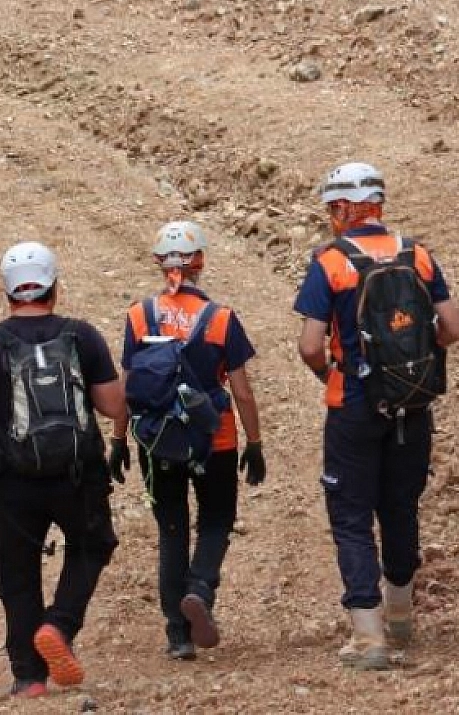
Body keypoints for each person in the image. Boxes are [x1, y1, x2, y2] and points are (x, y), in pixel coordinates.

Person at [294, 161, 459, 670]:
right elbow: (454, 326)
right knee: (400, 506)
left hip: (352, 405)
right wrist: (411, 354)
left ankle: (369, 638)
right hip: (411, 403)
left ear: (347, 207)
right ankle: (400, 618)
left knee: (350, 517)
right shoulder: (417, 254)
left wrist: (333, 372)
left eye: (333, 207)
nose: (331, 216)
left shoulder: (330, 262)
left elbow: (308, 346)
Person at [0, 241, 128, 699]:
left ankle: (29, 677)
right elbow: (112, 405)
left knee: (17, 572)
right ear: (55, 286)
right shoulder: (81, 336)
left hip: (13, 483)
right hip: (77, 474)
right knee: (92, 545)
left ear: (7, 291)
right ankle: (60, 626)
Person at [116, 220, 266, 660]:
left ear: (160, 263)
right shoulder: (220, 319)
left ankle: (177, 635)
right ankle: (200, 587)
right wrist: (254, 443)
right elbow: (241, 390)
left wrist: (117, 440)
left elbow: (128, 383)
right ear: (200, 261)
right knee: (217, 521)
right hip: (213, 440)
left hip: (158, 440)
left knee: (171, 530)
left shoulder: (139, 315)